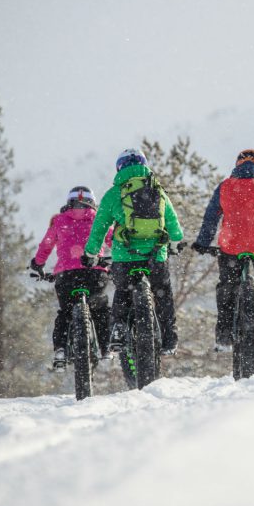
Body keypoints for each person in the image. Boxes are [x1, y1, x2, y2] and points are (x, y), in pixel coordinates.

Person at [81, 148, 184, 357]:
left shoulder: (113, 194)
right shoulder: (157, 189)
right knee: (163, 294)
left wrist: (91, 254)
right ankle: (169, 337)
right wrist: (175, 242)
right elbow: (173, 222)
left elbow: (99, 228)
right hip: (155, 256)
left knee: (123, 291)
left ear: (119, 168)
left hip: (125, 256)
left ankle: (118, 328)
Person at [191, 148, 254, 349]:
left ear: (237, 164)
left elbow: (210, 218)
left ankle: (223, 334)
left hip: (232, 247)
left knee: (227, 286)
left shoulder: (225, 187)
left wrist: (203, 243)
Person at [30, 186, 113, 370]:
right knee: (100, 310)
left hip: (66, 276)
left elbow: (46, 245)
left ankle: (60, 350)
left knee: (65, 313)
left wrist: (38, 264)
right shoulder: (99, 219)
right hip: (94, 272)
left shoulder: (58, 221)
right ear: (93, 202)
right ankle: (106, 349)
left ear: (68, 202)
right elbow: (112, 240)